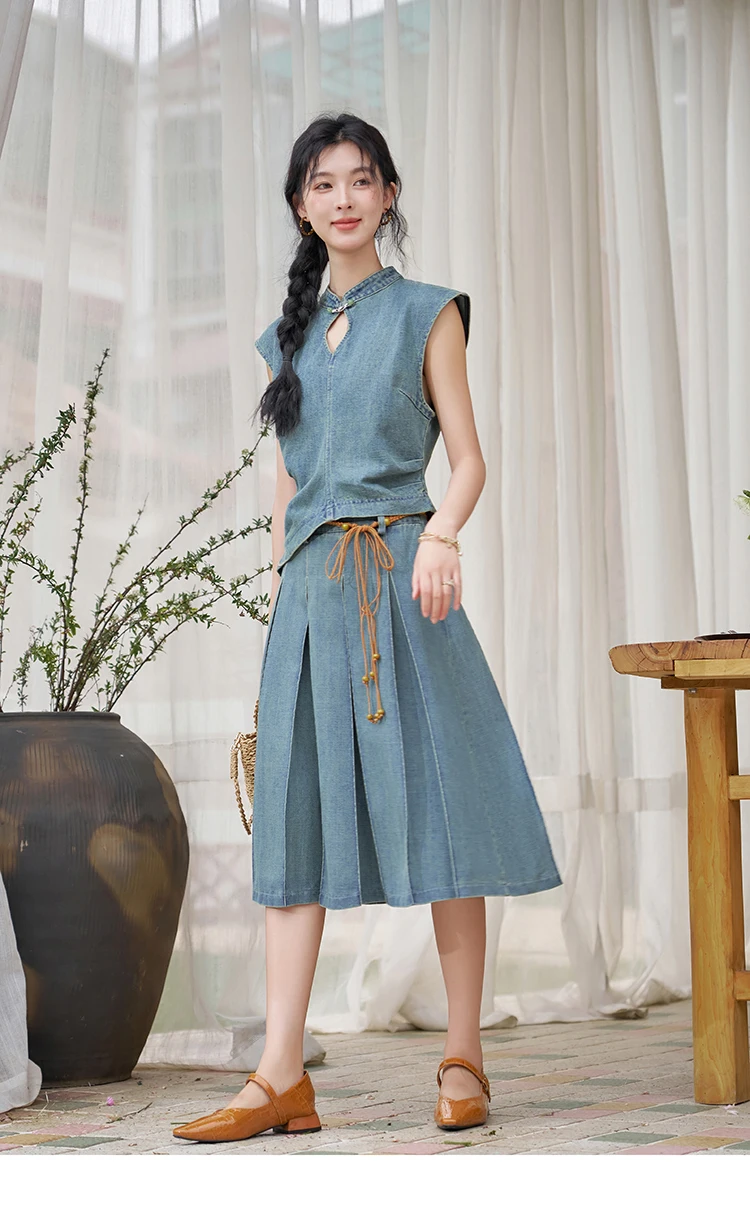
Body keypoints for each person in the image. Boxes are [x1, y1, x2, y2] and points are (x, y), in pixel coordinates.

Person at [174, 112, 562, 1146]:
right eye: (323, 183)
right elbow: (288, 485)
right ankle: (279, 1074)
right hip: (309, 601)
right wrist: (280, 601)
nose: (343, 197)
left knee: (447, 816)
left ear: (388, 195)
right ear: (301, 206)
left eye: (361, 179)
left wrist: (442, 536)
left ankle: (464, 1055)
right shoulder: (287, 337)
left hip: (404, 585)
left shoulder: (430, 313)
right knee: (291, 826)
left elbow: (469, 458)